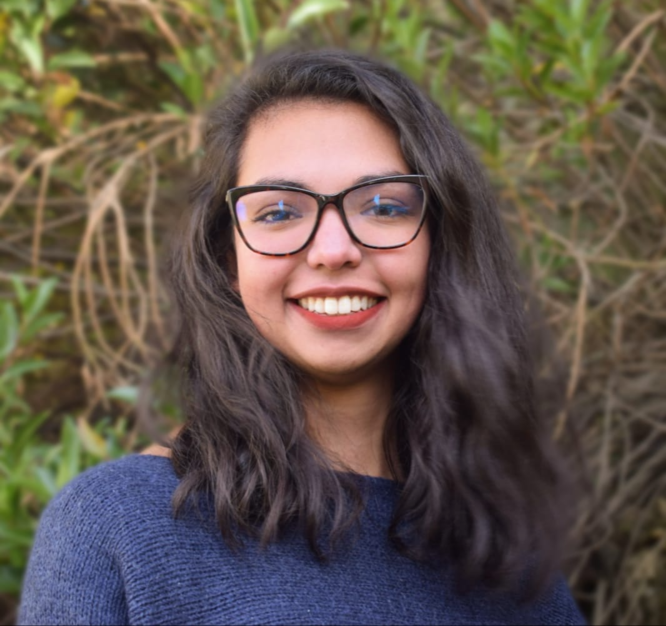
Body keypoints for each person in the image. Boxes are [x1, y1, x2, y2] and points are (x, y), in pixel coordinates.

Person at [18, 48, 586, 625]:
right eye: (279, 213)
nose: (333, 250)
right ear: (226, 255)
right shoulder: (117, 525)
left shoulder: (511, 559)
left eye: (384, 206)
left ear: (441, 239)